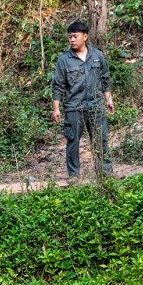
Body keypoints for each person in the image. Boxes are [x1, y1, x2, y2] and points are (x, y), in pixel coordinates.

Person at [52, 21, 114, 179]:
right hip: (74, 107)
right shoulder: (64, 60)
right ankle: (74, 177)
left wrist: (108, 99)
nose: (72, 40)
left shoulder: (97, 55)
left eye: (75, 36)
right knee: (73, 142)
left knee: (101, 140)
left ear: (85, 36)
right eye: (70, 37)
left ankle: (105, 175)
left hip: (96, 106)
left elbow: (105, 79)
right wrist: (56, 108)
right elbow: (58, 85)